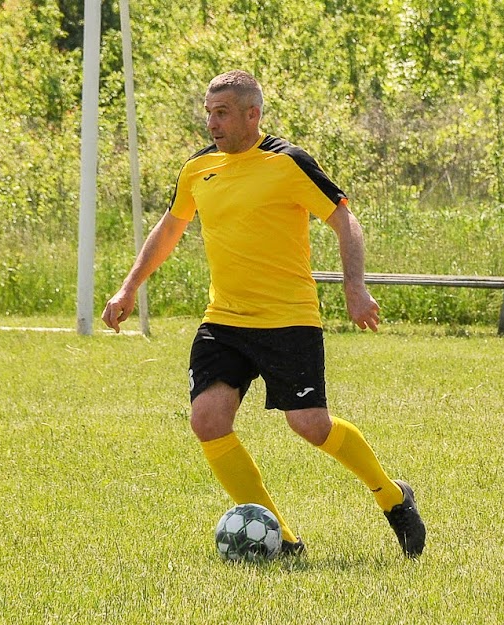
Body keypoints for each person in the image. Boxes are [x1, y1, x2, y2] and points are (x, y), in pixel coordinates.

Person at [102, 70, 425, 558]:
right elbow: (170, 228)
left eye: (223, 113)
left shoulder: (288, 162)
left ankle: (393, 496)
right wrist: (129, 287)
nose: (212, 123)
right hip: (224, 320)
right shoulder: (197, 169)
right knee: (207, 419)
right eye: (209, 112)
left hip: (287, 318)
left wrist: (355, 289)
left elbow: (344, 219)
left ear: (253, 115)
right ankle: (285, 542)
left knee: (310, 425)